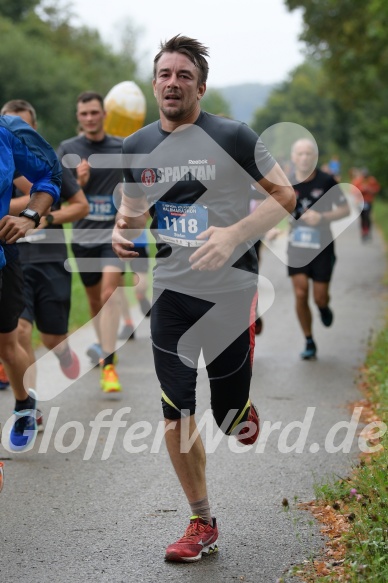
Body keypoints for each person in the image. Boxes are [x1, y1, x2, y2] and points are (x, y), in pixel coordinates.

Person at [112, 35, 295, 562]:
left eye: (184, 75)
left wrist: (234, 234)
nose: (173, 83)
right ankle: (201, 520)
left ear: (201, 86)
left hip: (231, 294)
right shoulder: (137, 145)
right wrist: (123, 231)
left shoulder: (234, 136)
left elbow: (285, 196)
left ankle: (239, 408)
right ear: (154, 84)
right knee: (176, 412)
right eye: (165, 74)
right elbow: (134, 208)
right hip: (171, 291)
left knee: (228, 416)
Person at [1, 99, 89, 398]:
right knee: (21, 332)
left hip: (50, 257)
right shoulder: (6, 169)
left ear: (34, 128)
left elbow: (81, 206)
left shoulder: (44, 161)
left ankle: (63, 353)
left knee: (52, 338)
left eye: (23, 126)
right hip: (17, 259)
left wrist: (42, 216)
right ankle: (30, 404)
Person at [0, 113, 61, 450]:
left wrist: (29, 215)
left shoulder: (8, 132)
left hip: (2, 258)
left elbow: (49, 174)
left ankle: (24, 402)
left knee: (8, 346)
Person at [57, 91, 125, 393]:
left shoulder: (121, 147)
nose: (89, 118)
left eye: (94, 112)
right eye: (83, 114)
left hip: (114, 235)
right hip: (83, 236)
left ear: (104, 114)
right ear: (78, 117)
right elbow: (59, 198)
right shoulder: (68, 149)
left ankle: (108, 365)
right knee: (96, 302)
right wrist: (79, 183)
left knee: (110, 293)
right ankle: (105, 346)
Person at [287, 139, 350, 360]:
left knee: (320, 298)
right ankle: (309, 340)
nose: (304, 157)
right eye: (300, 153)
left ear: (315, 157)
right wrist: (271, 229)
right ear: (293, 157)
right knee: (300, 291)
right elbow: (273, 208)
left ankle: (324, 308)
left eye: (308, 153)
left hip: (323, 246)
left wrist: (322, 217)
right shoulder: (286, 182)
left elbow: (345, 209)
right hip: (297, 246)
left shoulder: (327, 181)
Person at [117, 227, 152, 340]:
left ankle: (140, 296)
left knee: (140, 285)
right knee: (117, 286)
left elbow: (146, 214)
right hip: (115, 243)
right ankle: (128, 324)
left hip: (138, 242)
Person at [351, 167, 380, 241]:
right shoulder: (358, 181)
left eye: (366, 175)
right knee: (362, 217)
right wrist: (362, 189)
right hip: (360, 202)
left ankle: (367, 231)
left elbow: (377, 189)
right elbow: (353, 191)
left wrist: (370, 190)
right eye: (363, 175)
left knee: (367, 216)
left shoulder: (371, 180)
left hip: (368, 201)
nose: (365, 176)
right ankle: (363, 232)